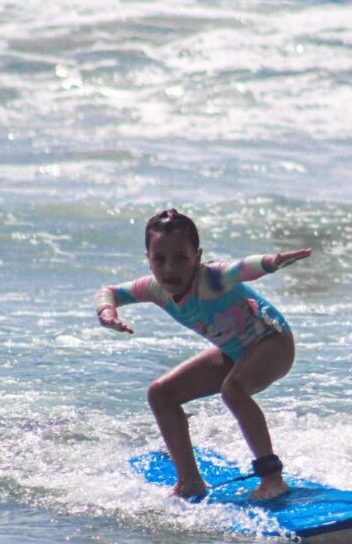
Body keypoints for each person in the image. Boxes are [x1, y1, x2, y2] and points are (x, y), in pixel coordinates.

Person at [95, 208, 311, 501]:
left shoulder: (212, 278)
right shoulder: (154, 288)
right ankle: (190, 482)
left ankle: (272, 479)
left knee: (233, 390)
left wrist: (271, 262)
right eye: (160, 259)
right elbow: (109, 291)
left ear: (197, 256)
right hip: (234, 352)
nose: (170, 269)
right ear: (148, 259)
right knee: (161, 393)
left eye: (180, 258)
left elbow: (241, 268)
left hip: (274, 342)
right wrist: (107, 312)